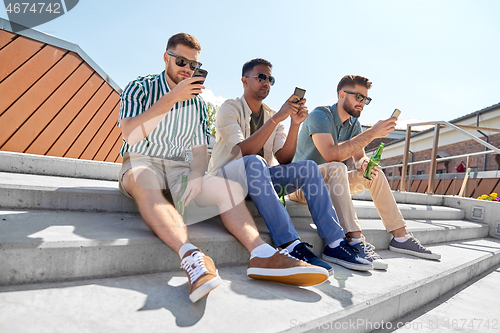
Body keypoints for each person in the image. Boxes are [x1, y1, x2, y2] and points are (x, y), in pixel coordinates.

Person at [117, 34, 329, 303]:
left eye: (194, 65)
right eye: (182, 61)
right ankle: (192, 257)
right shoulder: (141, 86)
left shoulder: (196, 103)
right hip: (142, 160)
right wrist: (172, 98)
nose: (188, 69)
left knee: (227, 188)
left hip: (180, 169)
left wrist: (196, 175)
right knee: (143, 178)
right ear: (166, 58)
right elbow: (130, 135)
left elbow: (197, 149)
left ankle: (262, 254)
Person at [208, 59, 372, 274]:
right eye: (261, 77)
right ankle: (289, 244)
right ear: (244, 80)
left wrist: (295, 124)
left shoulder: (271, 114)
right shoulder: (229, 108)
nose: (266, 82)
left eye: (270, 79)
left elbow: (284, 159)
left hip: (259, 182)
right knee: (255, 161)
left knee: (309, 167)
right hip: (226, 179)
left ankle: (334, 242)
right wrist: (277, 119)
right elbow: (241, 152)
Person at [291, 74, 441, 269]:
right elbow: (330, 155)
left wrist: (364, 164)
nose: (363, 103)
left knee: (374, 174)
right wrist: (372, 133)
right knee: (338, 167)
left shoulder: (354, 124)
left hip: (332, 183)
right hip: (302, 186)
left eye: (366, 99)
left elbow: (358, 157)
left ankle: (400, 236)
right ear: (342, 94)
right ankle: (355, 239)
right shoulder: (321, 115)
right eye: (359, 98)